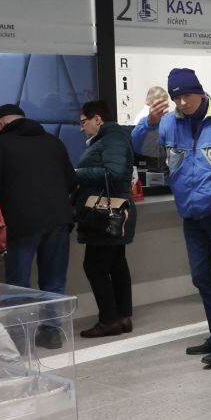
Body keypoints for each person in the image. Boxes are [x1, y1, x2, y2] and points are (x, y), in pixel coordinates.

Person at [131, 68, 211, 369]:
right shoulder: (168, 123)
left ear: (200, 92)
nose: (182, 103)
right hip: (191, 216)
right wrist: (148, 123)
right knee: (202, 278)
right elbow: (140, 146)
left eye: (187, 96)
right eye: (176, 98)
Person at [0, 103, 77, 349]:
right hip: (58, 220)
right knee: (54, 280)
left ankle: (19, 339)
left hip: (20, 222)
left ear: (0, 124)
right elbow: (71, 180)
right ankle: (52, 332)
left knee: (18, 284)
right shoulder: (53, 142)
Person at [74, 101, 137, 338]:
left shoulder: (112, 139)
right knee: (116, 264)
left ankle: (109, 320)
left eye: (83, 122)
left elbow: (113, 173)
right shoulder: (110, 138)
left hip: (107, 213)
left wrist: (77, 174)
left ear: (98, 119)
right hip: (114, 211)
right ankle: (122, 317)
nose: (82, 128)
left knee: (95, 266)